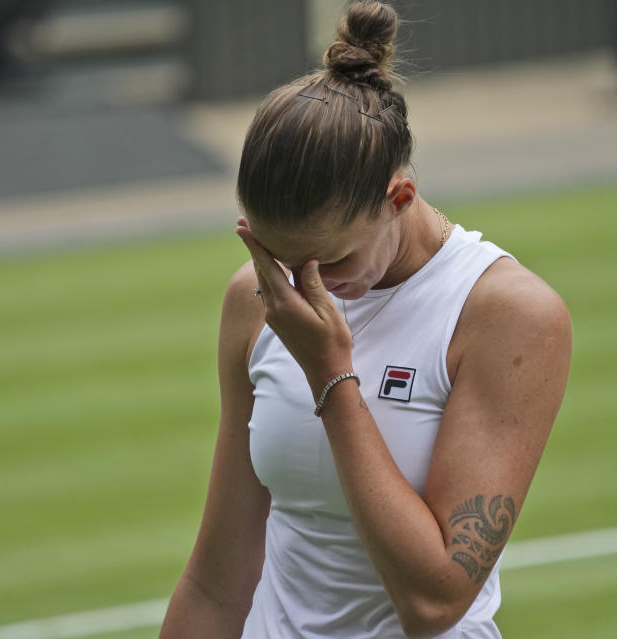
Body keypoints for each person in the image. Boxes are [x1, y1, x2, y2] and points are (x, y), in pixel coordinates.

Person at [159, 2, 571, 637]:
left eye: (331, 259)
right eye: (280, 257)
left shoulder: (508, 314)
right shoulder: (258, 298)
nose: (305, 284)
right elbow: (216, 584)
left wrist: (331, 374)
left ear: (399, 198)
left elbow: (433, 602)